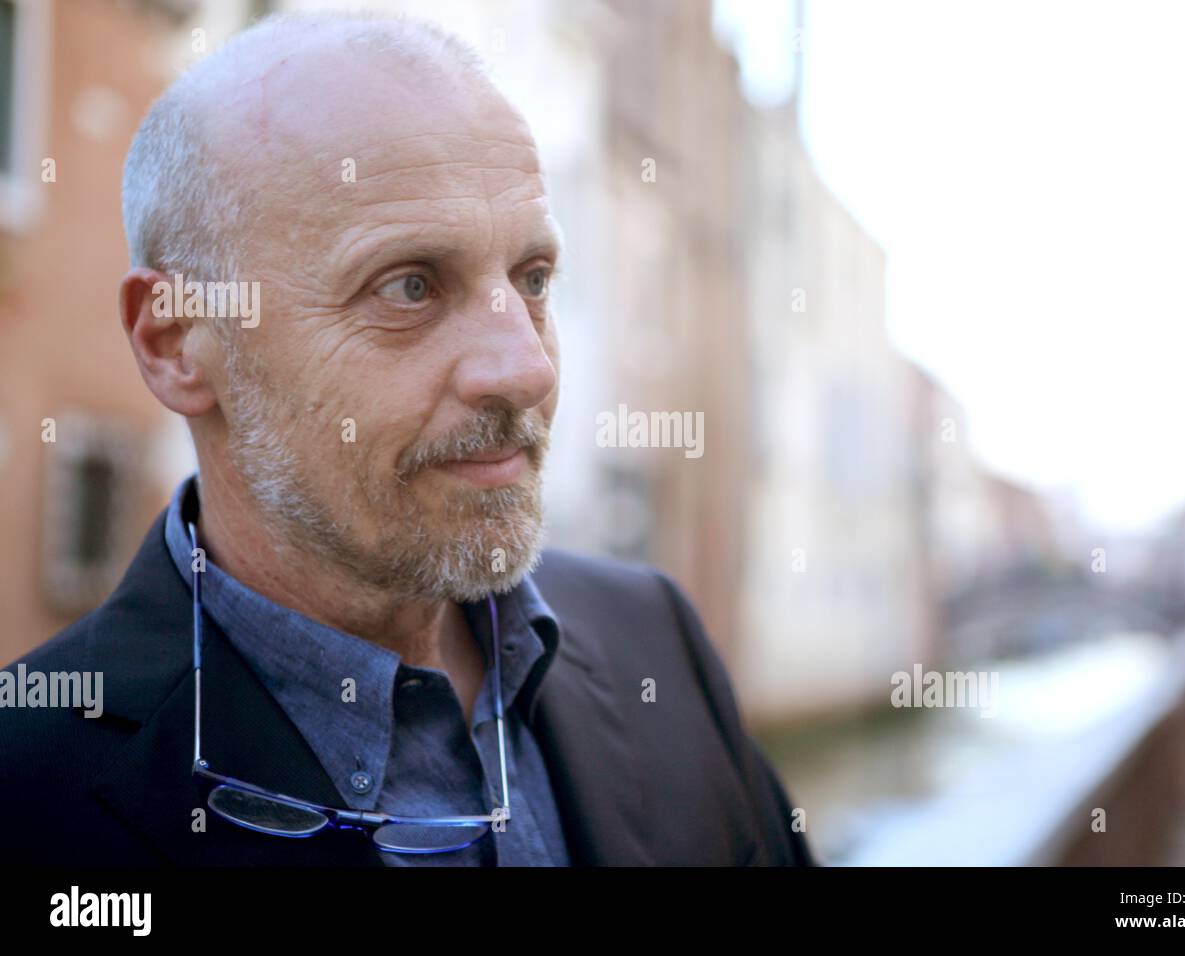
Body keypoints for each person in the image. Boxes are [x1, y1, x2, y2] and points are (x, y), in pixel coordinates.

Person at [0, 12, 813, 867]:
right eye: (410, 287)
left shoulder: (655, 640)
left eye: (532, 279)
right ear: (175, 343)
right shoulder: (31, 791)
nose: (524, 368)